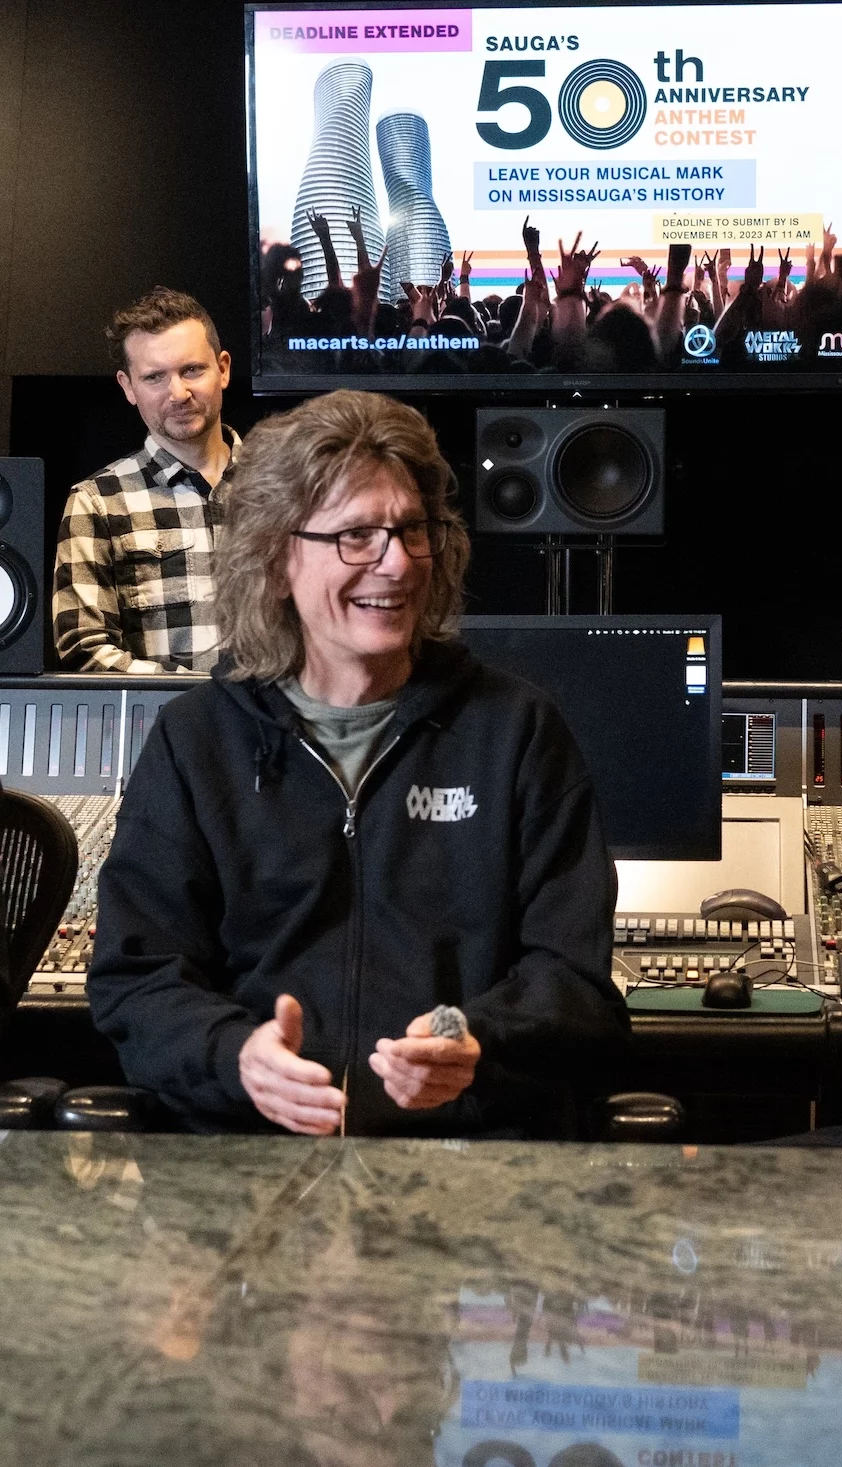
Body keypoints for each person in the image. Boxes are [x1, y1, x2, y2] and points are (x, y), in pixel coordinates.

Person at [88, 389, 627, 1135]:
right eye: (356, 536)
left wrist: (474, 1039)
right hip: (247, 1167)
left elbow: (576, 986)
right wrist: (236, 1054)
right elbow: (137, 980)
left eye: (411, 530)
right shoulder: (196, 741)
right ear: (276, 558)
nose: (396, 562)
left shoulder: (517, 731)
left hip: (470, 1170)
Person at [52, 288, 239, 673]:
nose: (178, 393)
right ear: (128, 387)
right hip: (162, 729)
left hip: (286, 730)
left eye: (192, 370)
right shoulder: (98, 501)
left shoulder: (292, 486)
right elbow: (84, 648)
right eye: (154, 377)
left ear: (222, 369)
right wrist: (201, 705)